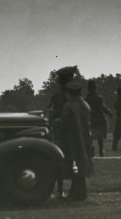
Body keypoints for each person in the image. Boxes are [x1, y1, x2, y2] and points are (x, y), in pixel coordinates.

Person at [46, 65, 77, 198]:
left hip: (60, 131)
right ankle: (69, 191)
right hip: (67, 132)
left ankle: (60, 190)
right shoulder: (68, 96)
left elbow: (50, 111)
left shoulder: (57, 95)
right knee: (69, 159)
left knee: (61, 160)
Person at [61, 79, 94, 201]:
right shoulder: (85, 105)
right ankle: (76, 192)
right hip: (85, 139)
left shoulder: (69, 106)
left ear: (69, 93)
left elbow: (65, 124)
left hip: (73, 140)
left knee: (75, 165)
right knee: (81, 164)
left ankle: (78, 194)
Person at [84, 80, 113, 157]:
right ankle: (100, 152)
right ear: (95, 88)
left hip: (91, 120)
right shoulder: (99, 98)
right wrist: (110, 113)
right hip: (100, 119)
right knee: (100, 138)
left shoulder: (86, 99)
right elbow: (103, 108)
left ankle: (92, 150)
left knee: (91, 137)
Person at [112, 86, 121, 151]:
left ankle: (114, 146)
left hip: (120, 116)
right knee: (118, 133)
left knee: (117, 133)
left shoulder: (119, 100)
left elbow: (116, 107)